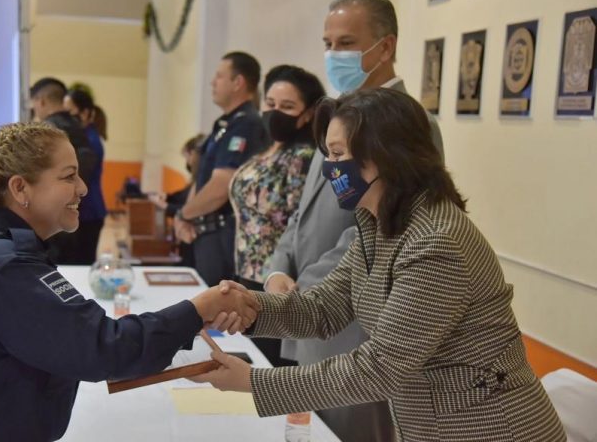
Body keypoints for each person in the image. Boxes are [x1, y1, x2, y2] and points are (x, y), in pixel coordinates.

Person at [196, 89, 567, 442]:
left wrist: (254, 381)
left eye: (338, 154)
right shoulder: (379, 225)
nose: (329, 169)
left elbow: (380, 368)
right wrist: (248, 308)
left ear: (386, 155)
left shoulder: (435, 243)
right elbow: (323, 309)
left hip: (493, 429)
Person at [0, 122, 258, 442]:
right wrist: (197, 310)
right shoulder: (5, 266)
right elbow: (103, 348)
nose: (83, 189)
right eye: (68, 176)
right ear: (20, 189)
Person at [263, 0, 445, 441]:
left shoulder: (409, 123)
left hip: (353, 323)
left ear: (385, 47)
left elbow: (388, 228)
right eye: (328, 43)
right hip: (308, 308)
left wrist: (310, 284)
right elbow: (303, 213)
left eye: (346, 43)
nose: (333, 54)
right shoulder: (338, 115)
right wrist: (278, 271)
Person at [228, 65, 323, 366]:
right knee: (248, 360)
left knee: (266, 367)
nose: (275, 112)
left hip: (275, 281)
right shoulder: (268, 150)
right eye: (270, 103)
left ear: (307, 113)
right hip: (247, 272)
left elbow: (299, 223)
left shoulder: (302, 157)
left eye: (287, 106)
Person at [174, 51, 268, 286]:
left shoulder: (246, 125)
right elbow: (201, 177)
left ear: (238, 83)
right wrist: (186, 215)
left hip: (224, 235)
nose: (212, 82)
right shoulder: (224, 124)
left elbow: (221, 186)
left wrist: (183, 215)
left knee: (217, 302)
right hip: (205, 231)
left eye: (219, 76)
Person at [30, 77, 96, 264]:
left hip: (53, 219)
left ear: (41, 102)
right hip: (77, 213)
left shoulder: (48, 132)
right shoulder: (79, 127)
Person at [148, 134, 206, 268]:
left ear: (194, 154)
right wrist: (167, 197)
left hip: (195, 238)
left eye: (187, 157)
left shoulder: (204, 179)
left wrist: (166, 206)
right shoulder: (196, 178)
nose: (188, 163)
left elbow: (191, 207)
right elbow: (183, 195)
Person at [63, 88, 107, 264]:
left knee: (81, 264)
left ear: (85, 112)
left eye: (69, 112)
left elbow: (81, 177)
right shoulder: (84, 137)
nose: (66, 117)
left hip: (89, 212)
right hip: (86, 211)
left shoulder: (88, 141)